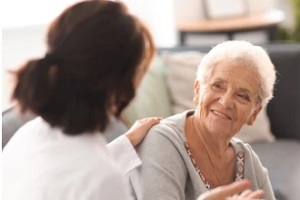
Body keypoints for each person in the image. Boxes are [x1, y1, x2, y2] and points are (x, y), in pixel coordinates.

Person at [2, 1, 265, 199]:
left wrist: (123, 146)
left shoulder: (26, 138)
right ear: (123, 84)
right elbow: (86, 177)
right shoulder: (102, 177)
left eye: (242, 96)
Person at [130, 40, 276, 200]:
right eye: (218, 86)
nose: (225, 102)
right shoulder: (162, 141)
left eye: (242, 96)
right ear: (198, 90)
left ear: (254, 114)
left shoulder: (248, 160)